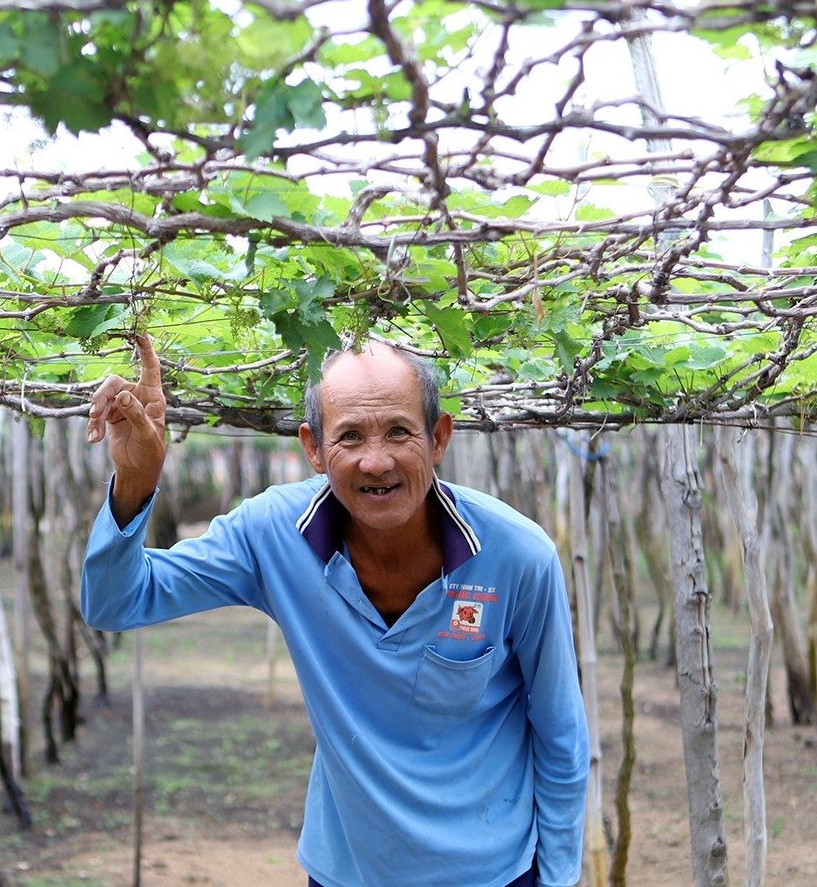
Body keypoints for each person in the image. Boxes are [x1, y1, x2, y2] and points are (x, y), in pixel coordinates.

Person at [82, 334, 589, 887]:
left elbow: (560, 732)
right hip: (345, 874)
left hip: (492, 874)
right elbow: (116, 601)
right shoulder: (271, 534)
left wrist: (558, 879)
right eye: (349, 436)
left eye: (399, 431)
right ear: (314, 449)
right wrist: (136, 482)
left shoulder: (517, 555)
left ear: (439, 436)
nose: (377, 461)